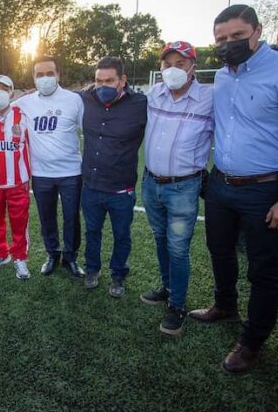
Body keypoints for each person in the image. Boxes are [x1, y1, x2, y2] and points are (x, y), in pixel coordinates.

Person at [189, 5, 278, 374]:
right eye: (221, 39)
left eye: (237, 36)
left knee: (263, 269)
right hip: (221, 184)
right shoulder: (222, 76)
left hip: (265, 190)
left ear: (257, 31)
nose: (228, 44)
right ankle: (225, 306)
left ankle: (252, 341)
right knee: (219, 251)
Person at [140, 42, 213, 335]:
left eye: (180, 64)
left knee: (178, 248)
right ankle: (167, 287)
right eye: (167, 64)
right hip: (150, 181)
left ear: (193, 67)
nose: (173, 70)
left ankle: (177, 305)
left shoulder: (210, 98)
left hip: (183, 186)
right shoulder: (154, 94)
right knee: (160, 239)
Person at [77, 57, 146, 298]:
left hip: (121, 189)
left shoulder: (140, 104)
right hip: (91, 186)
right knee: (92, 231)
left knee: (122, 235)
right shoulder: (86, 98)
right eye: (98, 80)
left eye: (109, 80)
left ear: (122, 80)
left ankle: (118, 276)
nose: (103, 85)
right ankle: (92, 270)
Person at [15, 56, 85, 279]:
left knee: (71, 216)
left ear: (58, 75)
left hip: (71, 172)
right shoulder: (25, 103)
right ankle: (52, 254)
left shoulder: (74, 100)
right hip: (41, 173)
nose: (45, 78)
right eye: (39, 74)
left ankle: (71, 257)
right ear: (33, 78)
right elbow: (0, 107)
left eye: (49, 74)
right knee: (47, 217)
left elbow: (87, 130)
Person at [0, 75, 32, 280]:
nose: (0, 92)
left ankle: (20, 257)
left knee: (20, 222)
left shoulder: (22, 114)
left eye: (4, 88)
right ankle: (1, 253)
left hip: (18, 181)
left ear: (11, 92)